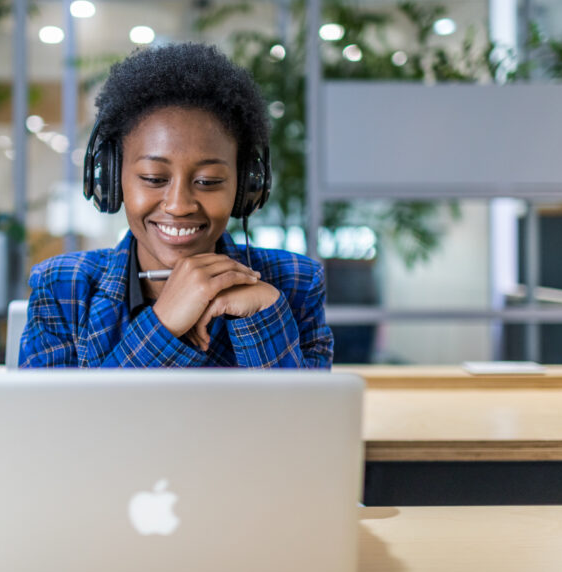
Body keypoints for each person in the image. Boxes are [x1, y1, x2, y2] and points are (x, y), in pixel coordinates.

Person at [18, 42, 332, 368]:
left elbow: (301, 419)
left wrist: (265, 322)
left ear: (246, 185)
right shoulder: (62, 286)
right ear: (113, 179)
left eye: (209, 181)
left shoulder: (295, 283)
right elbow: (57, 419)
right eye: (154, 178)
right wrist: (162, 325)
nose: (179, 205)